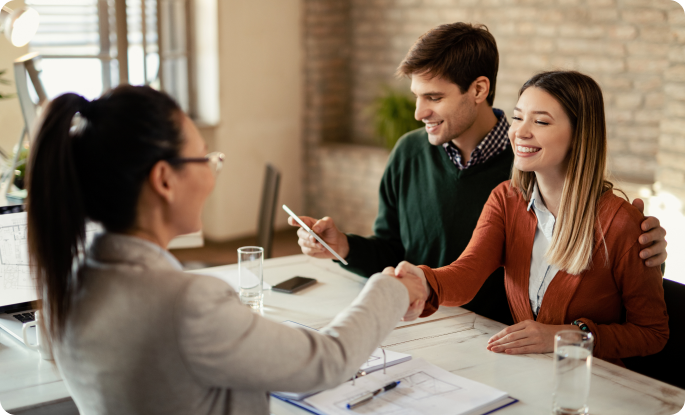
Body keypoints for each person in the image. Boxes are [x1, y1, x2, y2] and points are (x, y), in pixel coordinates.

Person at [26, 86, 427, 415]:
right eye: (204, 157)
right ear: (164, 179)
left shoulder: (70, 282)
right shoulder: (187, 303)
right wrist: (391, 288)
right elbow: (330, 360)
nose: (212, 171)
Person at [290, 22, 668, 326]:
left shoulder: (532, 165)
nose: (419, 112)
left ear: (479, 89)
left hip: (502, 333)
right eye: (416, 96)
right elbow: (405, 253)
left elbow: (613, 282)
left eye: (434, 97)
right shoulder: (410, 153)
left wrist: (647, 249)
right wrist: (344, 246)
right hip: (424, 317)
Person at [393, 71, 669, 366]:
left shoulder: (622, 224)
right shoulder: (506, 199)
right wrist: (422, 281)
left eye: (540, 121)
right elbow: (467, 273)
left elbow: (652, 333)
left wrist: (567, 335)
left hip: (592, 389)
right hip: (528, 375)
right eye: (517, 117)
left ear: (580, 135)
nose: (520, 132)